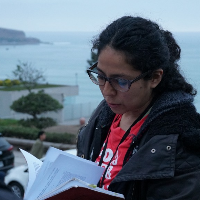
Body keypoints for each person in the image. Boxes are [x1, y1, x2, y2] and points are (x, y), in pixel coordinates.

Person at [77, 16, 200, 200]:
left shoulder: (180, 141)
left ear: (154, 77)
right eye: (101, 76)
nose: (107, 92)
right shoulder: (106, 113)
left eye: (121, 81)